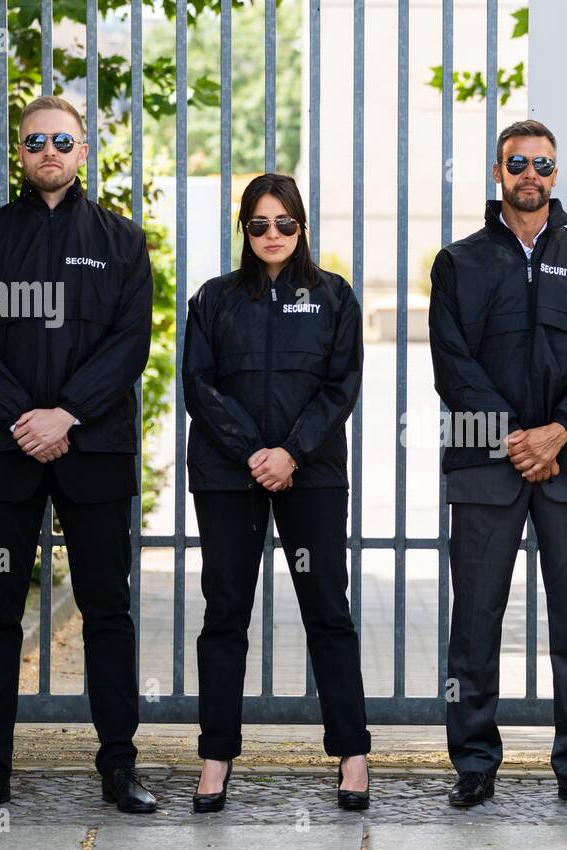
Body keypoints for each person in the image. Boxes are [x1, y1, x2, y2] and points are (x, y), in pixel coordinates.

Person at [0, 95, 155, 817]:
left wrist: (65, 414)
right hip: (4, 453)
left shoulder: (123, 242)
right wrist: (23, 421)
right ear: (20, 152)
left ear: (84, 148)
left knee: (107, 609)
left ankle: (119, 766)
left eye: (63, 140)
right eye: (36, 141)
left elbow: (130, 344)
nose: (50, 152)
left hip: (92, 448)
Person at [428, 119, 567, 810]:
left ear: (556, 173)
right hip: (486, 463)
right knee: (476, 620)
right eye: (518, 162)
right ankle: (475, 761)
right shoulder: (459, 263)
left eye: (542, 163)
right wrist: (518, 438)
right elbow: (453, 363)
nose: (530, 174)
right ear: (497, 171)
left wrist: (559, 434)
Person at [182, 173, 371, 813]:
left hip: (310, 472)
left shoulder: (333, 297)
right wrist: (251, 453)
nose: (272, 235)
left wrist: (291, 451)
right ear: (244, 229)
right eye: (259, 224)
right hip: (227, 474)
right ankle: (215, 758)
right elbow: (198, 386)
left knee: (328, 609)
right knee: (225, 611)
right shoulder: (213, 299)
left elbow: (341, 384)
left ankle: (352, 753)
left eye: (284, 224)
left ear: (302, 228)